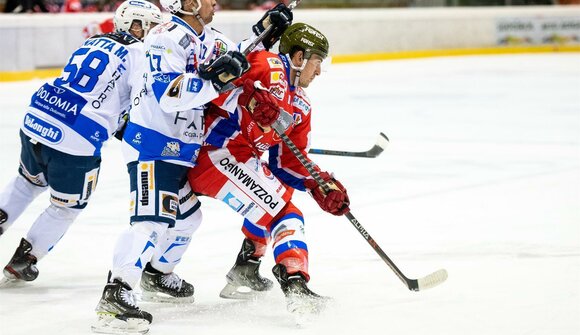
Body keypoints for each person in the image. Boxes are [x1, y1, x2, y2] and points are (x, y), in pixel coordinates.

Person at [91, 0, 292, 333]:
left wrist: (267, 29)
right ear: (188, 3)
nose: (215, 2)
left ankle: (156, 274)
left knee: (187, 218)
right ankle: (116, 293)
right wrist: (214, 79)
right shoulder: (163, 37)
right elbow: (168, 92)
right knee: (151, 220)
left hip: (181, 149)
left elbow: (238, 56)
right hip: (153, 145)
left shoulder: (209, 37)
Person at [187, 23, 350, 313]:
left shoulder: (299, 105)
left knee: (279, 189)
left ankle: (246, 267)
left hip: (237, 158)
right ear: (299, 58)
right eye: (316, 62)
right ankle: (295, 283)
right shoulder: (265, 64)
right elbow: (212, 86)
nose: (319, 71)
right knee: (285, 212)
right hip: (212, 154)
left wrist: (319, 184)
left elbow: (287, 161)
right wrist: (249, 95)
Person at [0, 0, 163, 286]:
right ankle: (24, 260)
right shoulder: (141, 53)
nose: (152, 32)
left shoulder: (94, 42)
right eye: (149, 25)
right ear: (135, 25)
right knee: (67, 206)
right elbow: (142, 102)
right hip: (74, 141)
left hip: (37, 118)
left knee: (28, 182)